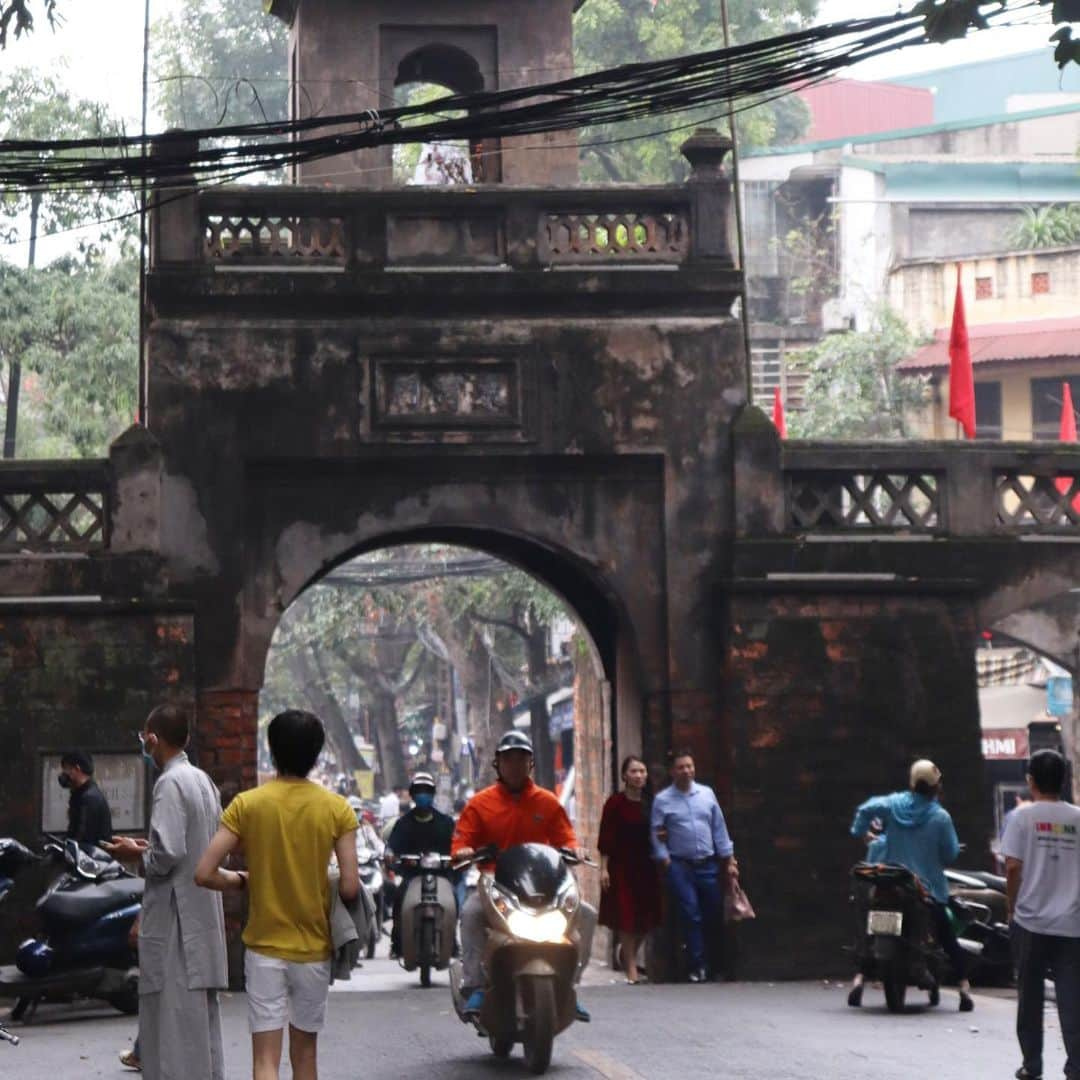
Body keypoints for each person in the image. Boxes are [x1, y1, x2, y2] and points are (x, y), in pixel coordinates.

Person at [195, 710, 359, 1080]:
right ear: (316, 755)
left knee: (265, 1061)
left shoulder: (247, 805)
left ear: (272, 750)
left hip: (264, 949)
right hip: (313, 951)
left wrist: (242, 879)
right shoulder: (337, 809)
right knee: (305, 1058)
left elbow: (204, 873)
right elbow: (349, 887)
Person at [102, 704, 228, 1080]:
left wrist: (134, 855)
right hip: (197, 919)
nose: (144, 745)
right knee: (197, 1032)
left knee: (173, 1034)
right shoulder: (201, 781)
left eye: (145, 738)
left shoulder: (170, 783)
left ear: (154, 738)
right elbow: (191, 844)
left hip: (177, 925)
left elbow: (168, 855)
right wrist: (144, 846)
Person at [451, 730, 593, 1020]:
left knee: (587, 915)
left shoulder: (548, 802)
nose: (515, 765)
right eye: (508, 760)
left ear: (530, 764)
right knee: (471, 915)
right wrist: (464, 851)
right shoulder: (480, 804)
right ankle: (475, 985)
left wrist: (574, 850)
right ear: (498, 765)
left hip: (543, 883)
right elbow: (461, 840)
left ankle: (569, 986)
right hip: (495, 882)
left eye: (521, 759)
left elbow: (566, 838)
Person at [848, 758, 974, 1012]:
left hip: (891, 880)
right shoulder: (940, 817)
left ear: (912, 783)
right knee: (946, 933)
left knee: (868, 925)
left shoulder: (893, 805)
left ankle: (860, 977)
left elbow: (865, 810)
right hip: (926, 889)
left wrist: (859, 831)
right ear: (936, 787)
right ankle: (963, 986)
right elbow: (949, 855)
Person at [1001, 749, 1080, 1080]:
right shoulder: (1078, 818)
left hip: (1030, 921)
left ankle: (1032, 1064)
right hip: (1072, 923)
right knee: (1072, 998)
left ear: (1030, 780)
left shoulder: (1021, 818)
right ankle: (1076, 1066)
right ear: (1063, 780)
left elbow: (1013, 866)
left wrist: (1011, 906)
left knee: (1029, 996)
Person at [650, 749, 738, 983]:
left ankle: (715, 965)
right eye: (681, 767)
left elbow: (719, 828)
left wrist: (728, 860)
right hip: (680, 865)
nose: (687, 771)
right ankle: (696, 967)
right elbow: (656, 833)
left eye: (689, 766)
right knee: (691, 914)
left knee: (712, 913)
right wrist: (666, 861)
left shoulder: (706, 794)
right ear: (672, 772)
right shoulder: (663, 800)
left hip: (707, 864)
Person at [598, 755, 661, 984]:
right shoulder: (615, 803)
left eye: (642, 771)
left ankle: (628, 955)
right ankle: (632, 970)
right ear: (625, 775)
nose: (639, 776)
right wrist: (603, 869)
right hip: (621, 865)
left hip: (646, 865)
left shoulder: (651, 803)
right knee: (626, 916)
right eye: (634, 771)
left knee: (648, 917)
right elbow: (605, 837)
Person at [385, 771, 455, 957]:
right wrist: (390, 854)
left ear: (432, 793)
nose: (423, 794)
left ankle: (452, 940)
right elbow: (393, 845)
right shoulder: (403, 823)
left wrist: (458, 856)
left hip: (441, 875)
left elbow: (456, 845)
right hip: (412, 875)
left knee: (454, 899)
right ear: (413, 794)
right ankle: (397, 941)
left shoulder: (446, 823)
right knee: (400, 899)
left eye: (427, 790)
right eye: (419, 790)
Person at [59, 750, 113, 849]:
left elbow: (83, 838)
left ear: (77, 769)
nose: (63, 774)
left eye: (66, 769)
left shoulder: (89, 799)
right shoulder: (80, 795)